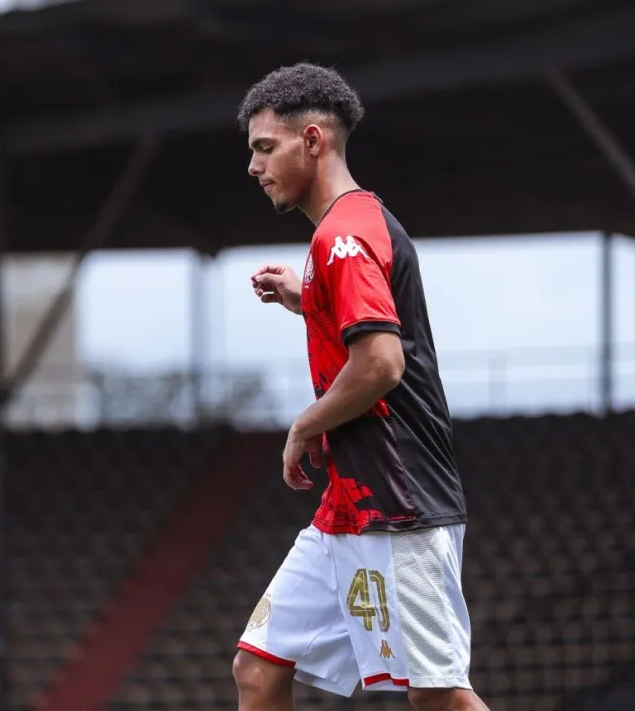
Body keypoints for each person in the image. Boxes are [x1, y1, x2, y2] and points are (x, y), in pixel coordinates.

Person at [233, 62, 490, 711]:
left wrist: (305, 424)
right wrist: (309, 297)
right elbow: (373, 328)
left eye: (265, 148)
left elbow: (380, 363)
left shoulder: (342, 235)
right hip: (348, 505)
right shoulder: (347, 233)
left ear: (312, 140)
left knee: (440, 699)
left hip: (399, 501)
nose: (254, 166)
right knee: (259, 667)